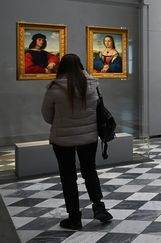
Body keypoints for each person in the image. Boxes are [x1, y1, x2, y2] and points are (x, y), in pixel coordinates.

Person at [41, 54, 113, 230]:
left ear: (62, 68)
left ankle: (74, 218)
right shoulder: (92, 84)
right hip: (89, 138)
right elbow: (97, 109)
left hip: (62, 140)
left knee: (68, 177)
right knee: (89, 171)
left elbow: (47, 115)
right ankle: (99, 207)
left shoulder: (54, 87)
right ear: (81, 65)